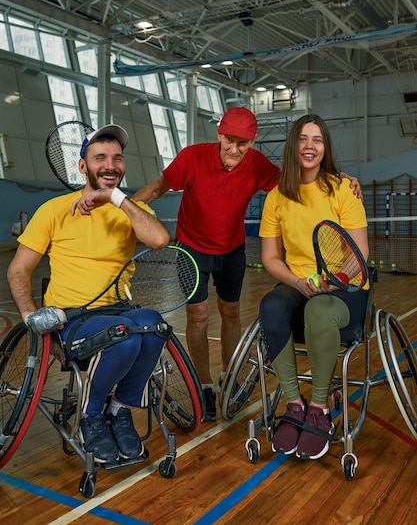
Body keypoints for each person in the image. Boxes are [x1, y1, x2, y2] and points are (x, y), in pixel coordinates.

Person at [132, 106, 363, 421]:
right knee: (198, 315)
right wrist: (127, 206)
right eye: (229, 140)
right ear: (219, 134)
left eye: (243, 144)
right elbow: (158, 188)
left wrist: (344, 179)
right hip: (191, 249)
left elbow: (299, 181)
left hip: (232, 250)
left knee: (230, 312)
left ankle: (229, 376)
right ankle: (205, 385)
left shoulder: (257, 165)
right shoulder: (192, 157)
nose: (234, 149)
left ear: (252, 143)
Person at [7, 124, 170, 465]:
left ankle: (120, 410)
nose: (110, 165)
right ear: (83, 166)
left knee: (154, 326)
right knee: (123, 338)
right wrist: (28, 316)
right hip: (72, 319)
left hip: (118, 310)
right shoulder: (54, 210)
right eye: (100, 158)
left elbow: (158, 239)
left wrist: (115, 198)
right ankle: (91, 415)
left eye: (117, 158)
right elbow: (18, 269)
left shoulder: (129, 209)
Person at [258, 113, 369, 460]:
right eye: (303, 139)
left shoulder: (341, 189)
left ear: (325, 147)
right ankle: (294, 405)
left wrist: (334, 280)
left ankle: (319, 409)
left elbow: (360, 252)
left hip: (346, 286)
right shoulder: (276, 197)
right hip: (299, 282)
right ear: (293, 146)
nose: (310, 146)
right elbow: (271, 257)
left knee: (321, 310)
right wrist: (298, 282)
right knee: (271, 307)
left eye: (317, 139)